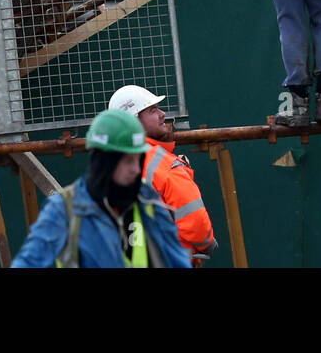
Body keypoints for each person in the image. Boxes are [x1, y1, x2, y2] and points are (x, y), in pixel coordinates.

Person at [11, 109, 191, 268]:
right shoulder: (63, 210)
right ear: (104, 162)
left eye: (138, 159)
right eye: (128, 160)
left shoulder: (148, 202)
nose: (136, 169)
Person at [108, 84, 217, 263]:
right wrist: (206, 244)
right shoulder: (162, 164)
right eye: (152, 110)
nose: (162, 114)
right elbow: (195, 221)